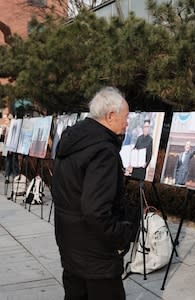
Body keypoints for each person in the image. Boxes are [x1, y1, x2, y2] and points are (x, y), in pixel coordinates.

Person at [52, 87, 140, 300]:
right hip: (96, 254)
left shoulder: (73, 141)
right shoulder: (103, 151)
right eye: (125, 117)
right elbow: (95, 210)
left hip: (71, 243)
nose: (127, 123)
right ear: (110, 116)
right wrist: (122, 235)